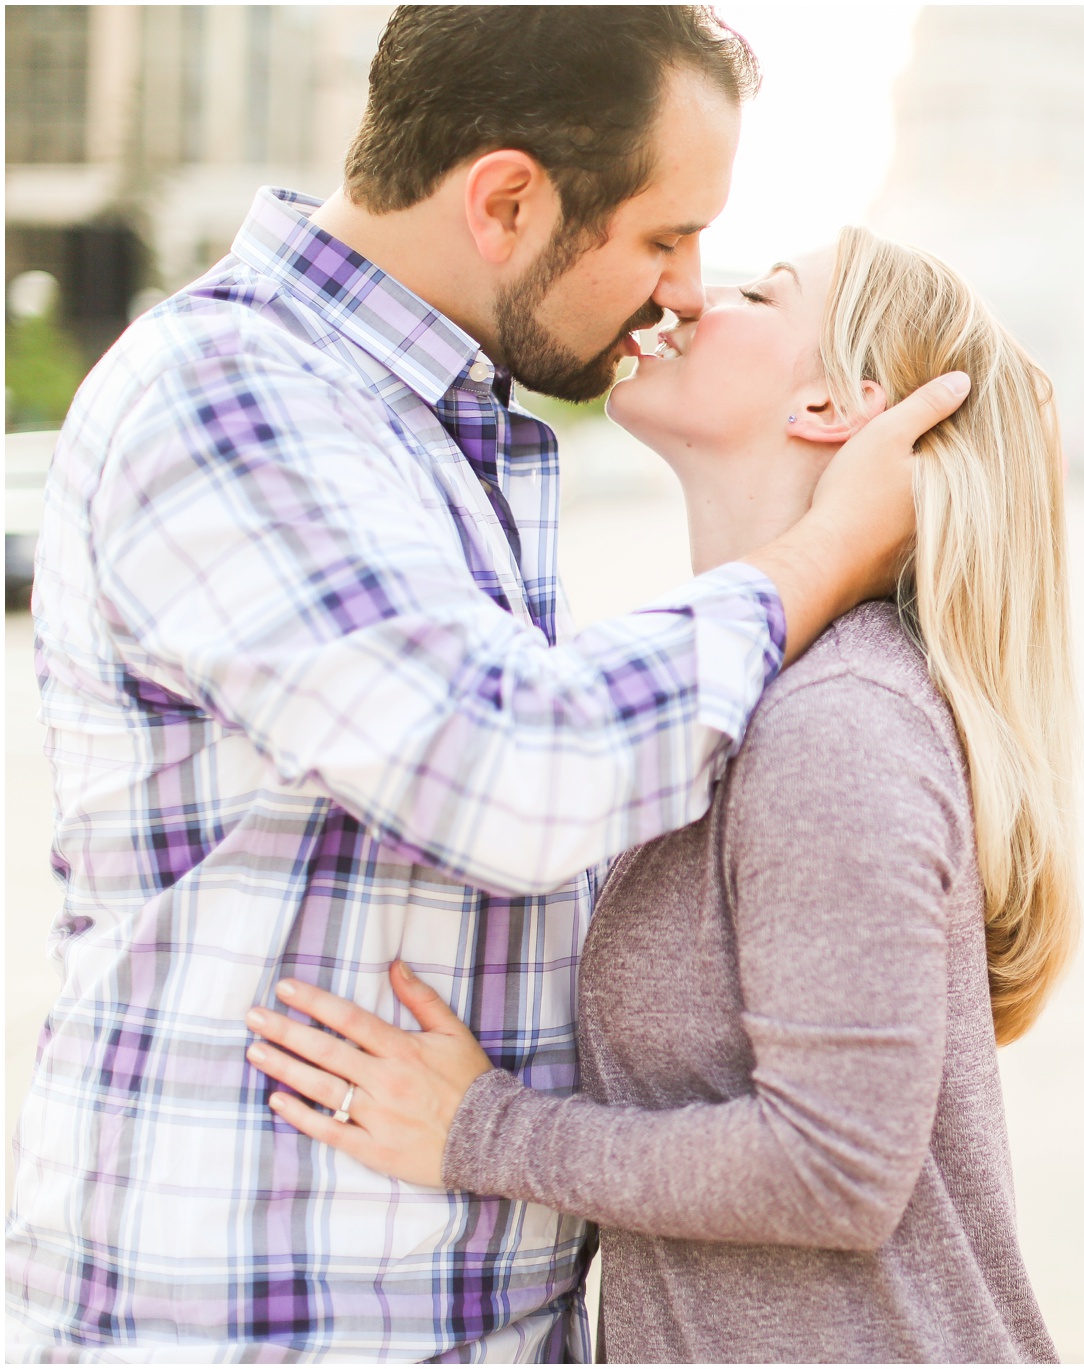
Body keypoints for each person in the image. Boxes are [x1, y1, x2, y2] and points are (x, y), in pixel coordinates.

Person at [5, 10, 969, 1362]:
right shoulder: (235, 394)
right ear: (507, 201)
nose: (689, 288)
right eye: (662, 237)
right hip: (254, 1325)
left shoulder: (436, 425)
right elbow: (515, 772)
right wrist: (828, 546)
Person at [242, 226, 1077, 1361]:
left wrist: (479, 1130)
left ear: (836, 404)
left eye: (755, 291)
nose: (688, 297)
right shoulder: (744, 698)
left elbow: (835, 1167)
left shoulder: (836, 724)